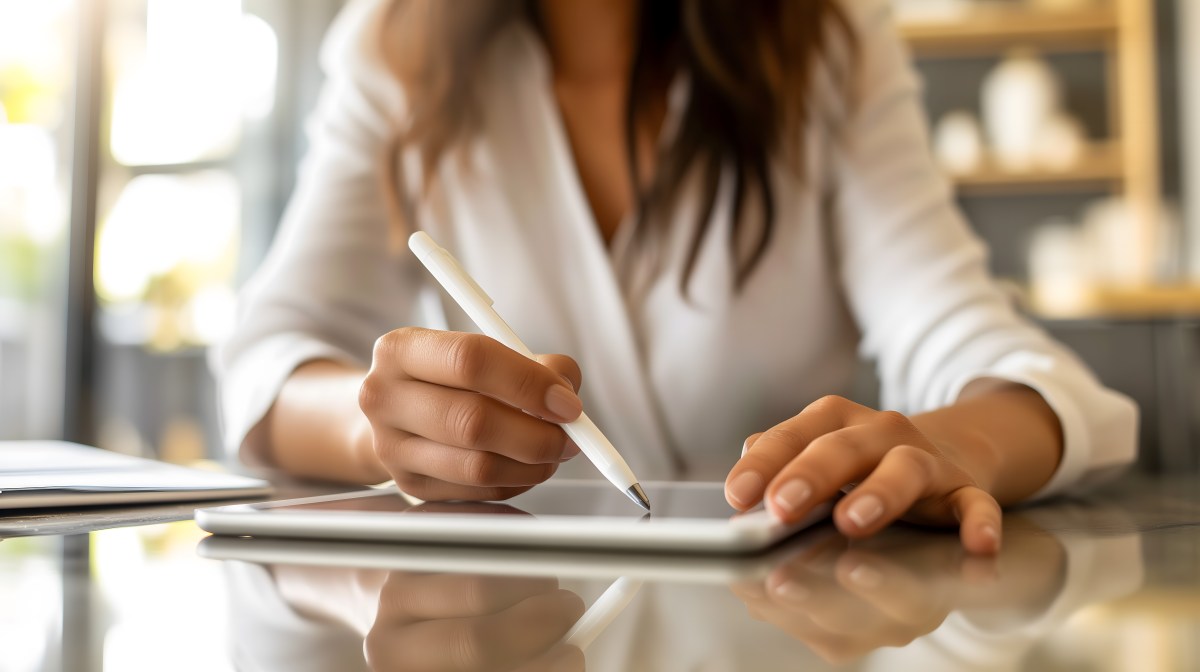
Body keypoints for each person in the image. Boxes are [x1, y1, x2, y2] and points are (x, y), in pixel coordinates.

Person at [214, 0, 1137, 555]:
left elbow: (997, 357)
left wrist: (959, 445)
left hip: (776, 627)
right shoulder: (398, 44)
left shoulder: (826, 40)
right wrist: (383, 432)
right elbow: (263, 359)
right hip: (499, 628)